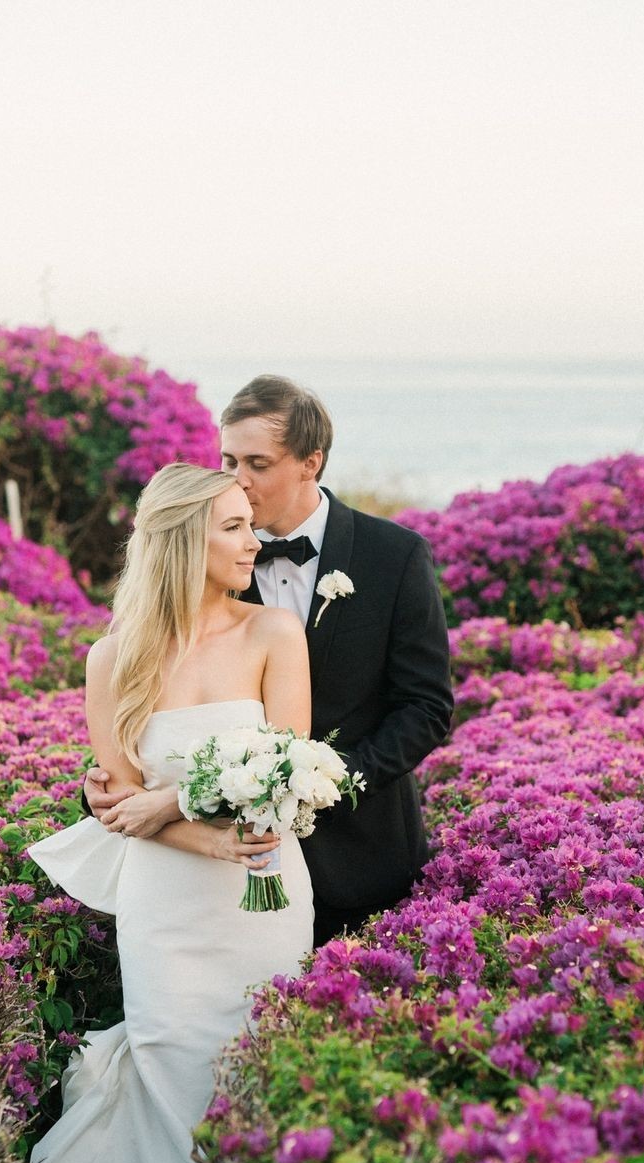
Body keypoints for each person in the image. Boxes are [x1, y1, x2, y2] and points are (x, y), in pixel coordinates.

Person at [13, 463, 314, 1163]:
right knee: (172, 1063)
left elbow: (288, 776)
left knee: (248, 1073)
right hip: (166, 903)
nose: (253, 541)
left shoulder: (274, 634)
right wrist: (192, 825)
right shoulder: (112, 659)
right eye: (232, 525)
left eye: (249, 522)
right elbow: (117, 805)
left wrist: (172, 802)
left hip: (260, 895)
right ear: (183, 540)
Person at [90, 375, 454, 946]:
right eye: (229, 459)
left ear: (311, 462)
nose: (238, 480)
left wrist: (309, 788)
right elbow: (155, 701)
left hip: (361, 857)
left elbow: (426, 708)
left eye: (257, 463)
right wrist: (105, 791)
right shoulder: (209, 559)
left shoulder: (396, 556)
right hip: (213, 875)